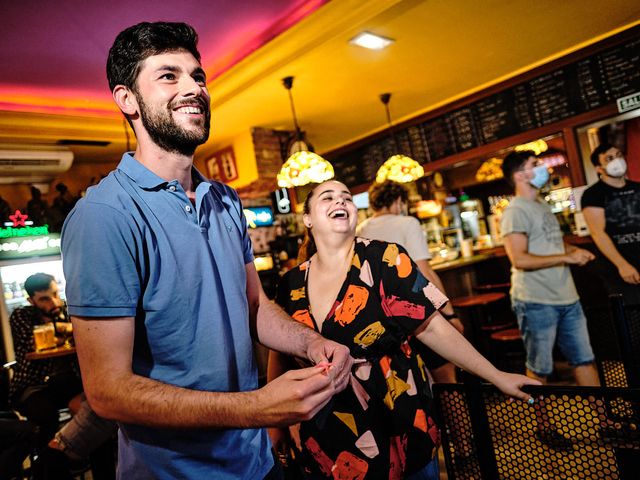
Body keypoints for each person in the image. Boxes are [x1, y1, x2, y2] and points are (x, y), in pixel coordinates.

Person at [61, 21, 352, 479]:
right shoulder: (105, 215)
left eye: (197, 76)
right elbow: (108, 392)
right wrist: (256, 407)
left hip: (255, 462)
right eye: (168, 75)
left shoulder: (226, 199)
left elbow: (254, 305)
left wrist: (312, 342)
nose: (193, 87)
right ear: (127, 100)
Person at [269, 179, 539, 479]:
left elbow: (433, 328)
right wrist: (276, 423)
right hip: (328, 427)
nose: (341, 201)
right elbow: (280, 353)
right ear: (307, 218)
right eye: (328, 197)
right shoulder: (290, 283)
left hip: (398, 417)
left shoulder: (385, 258)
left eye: (346, 197)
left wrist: (496, 376)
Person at [500, 150, 600, 387]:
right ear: (520, 175)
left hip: (568, 297)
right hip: (536, 300)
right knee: (539, 369)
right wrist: (566, 259)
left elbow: (552, 241)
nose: (544, 167)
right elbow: (519, 259)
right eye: (535, 164)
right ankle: (542, 425)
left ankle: (606, 422)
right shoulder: (515, 211)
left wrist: (572, 251)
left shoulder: (541, 204)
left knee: (585, 360)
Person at [357, 180, 463, 384]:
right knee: (446, 379)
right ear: (398, 201)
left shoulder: (361, 229)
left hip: (385, 321)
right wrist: (449, 313)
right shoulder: (407, 223)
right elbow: (424, 274)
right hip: (416, 312)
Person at [9, 273, 80, 449]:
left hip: (66, 382)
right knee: (46, 417)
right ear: (31, 300)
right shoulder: (21, 315)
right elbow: (33, 341)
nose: (54, 303)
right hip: (32, 386)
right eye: (45, 299)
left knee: (96, 409)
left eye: (56, 294)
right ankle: (52, 469)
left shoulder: (68, 310)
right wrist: (69, 330)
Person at [581, 143, 640, 305]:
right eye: (609, 159)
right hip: (620, 271)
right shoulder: (593, 194)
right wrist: (623, 265)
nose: (617, 161)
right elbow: (597, 233)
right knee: (633, 321)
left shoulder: (637, 188)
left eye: (619, 155)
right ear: (599, 168)